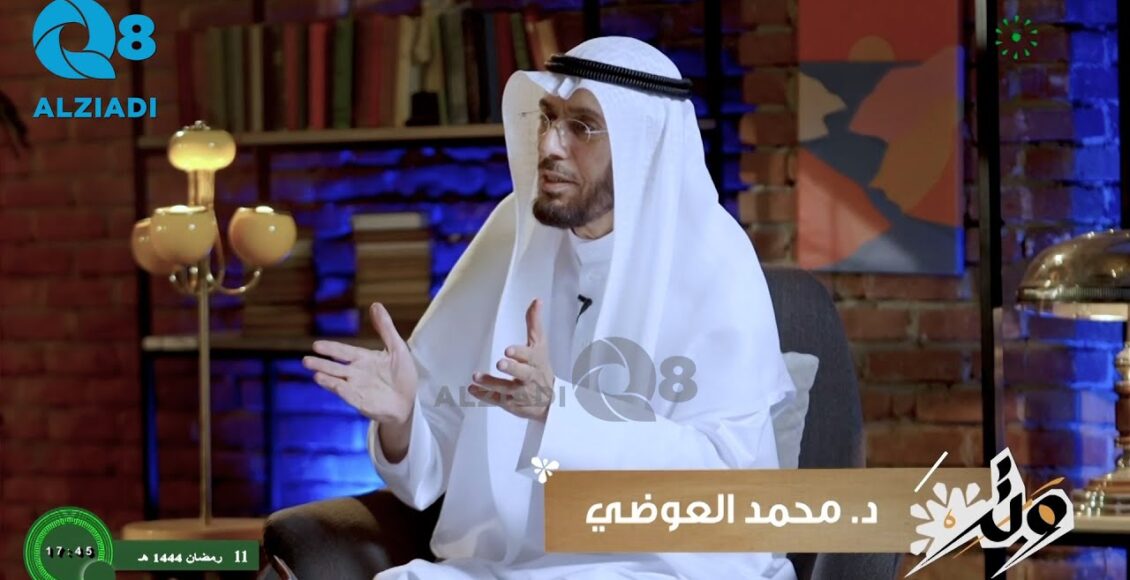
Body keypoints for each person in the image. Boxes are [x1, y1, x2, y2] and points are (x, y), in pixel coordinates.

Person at [302, 36, 798, 579]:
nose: (550, 145)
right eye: (548, 118)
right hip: (518, 562)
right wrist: (402, 419)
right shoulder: (513, 232)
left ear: (644, 145)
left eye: (582, 126)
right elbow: (431, 459)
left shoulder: (714, 259)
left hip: (665, 564)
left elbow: (726, 487)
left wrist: (558, 409)